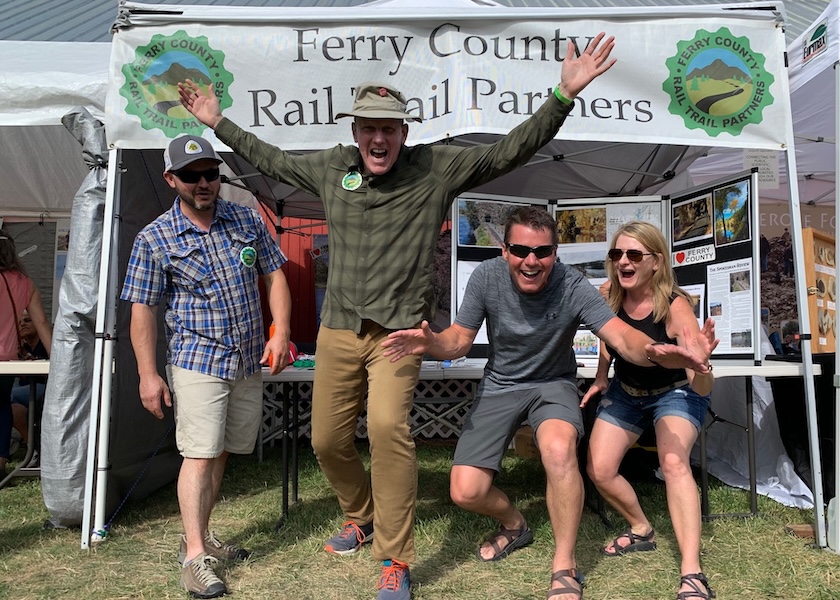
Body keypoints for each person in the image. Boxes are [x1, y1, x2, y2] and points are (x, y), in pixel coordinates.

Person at [179, 32, 619, 600]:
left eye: (389, 128)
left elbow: (507, 151)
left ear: (404, 133)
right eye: (369, 128)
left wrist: (562, 96)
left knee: (388, 430)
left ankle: (395, 558)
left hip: (400, 334)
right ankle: (360, 514)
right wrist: (218, 123)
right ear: (355, 131)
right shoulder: (333, 169)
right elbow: (273, 160)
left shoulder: (434, 169)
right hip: (340, 327)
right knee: (325, 440)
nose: (378, 138)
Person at [383, 208, 717, 600]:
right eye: (520, 250)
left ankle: (565, 567)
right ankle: (515, 524)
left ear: (555, 253)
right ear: (505, 250)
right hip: (502, 383)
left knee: (561, 450)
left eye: (542, 252)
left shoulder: (573, 284)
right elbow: (458, 340)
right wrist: (433, 343)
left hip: (554, 383)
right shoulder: (486, 277)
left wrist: (656, 351)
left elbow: (623, 337)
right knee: (465, 491)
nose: (531, 260)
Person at [120, 135, 291, 599]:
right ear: (170, 179)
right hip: (197, 360)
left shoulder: (245, 218)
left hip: (245, 359)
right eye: (191, 175)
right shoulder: (155, 238)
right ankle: (194, 558)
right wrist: (148, 374)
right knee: (198, 453)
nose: (203, 183)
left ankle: (201, 536)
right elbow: (142, 310)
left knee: (221, 451)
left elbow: (275, 275)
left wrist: (279, 332)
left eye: (210, 173)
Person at [581, 221, 716, 600]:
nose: (623, 261)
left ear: (656, 262)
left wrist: (703, 365)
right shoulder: (609, 296)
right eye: (617, 254)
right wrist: (601, 376)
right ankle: (641, 528)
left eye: (634, 254)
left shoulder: (675, 307)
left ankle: (692, 572)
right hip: (626, 392)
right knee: (599, 469)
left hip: (676, 392)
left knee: (673, 462)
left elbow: (701, 385)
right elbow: (608, 338)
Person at [0, 231, 53, 477]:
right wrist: (56, 362)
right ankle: (1, 462)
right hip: (8, 360)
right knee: (2, 406)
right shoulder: (25, 283)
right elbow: (41, 323)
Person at [10, 311, 50, 453]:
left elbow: (55, 371)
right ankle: (32, 448)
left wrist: (30, 361)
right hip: (25, 389)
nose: (23, 325)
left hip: (46, 388)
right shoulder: (20, 346)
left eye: (27, 321)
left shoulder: (47, 343)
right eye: (19, 323)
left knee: (9, 394)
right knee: (14, 410)